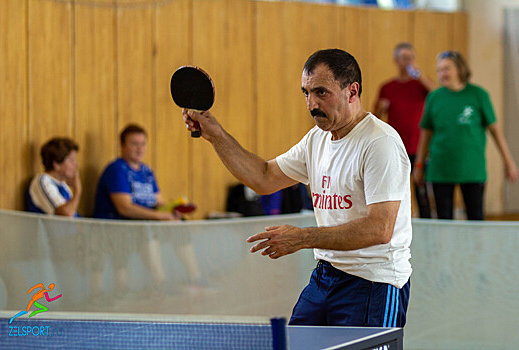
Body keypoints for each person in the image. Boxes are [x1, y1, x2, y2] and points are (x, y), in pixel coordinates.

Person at [182, 49, 412, 327]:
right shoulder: (317, 140)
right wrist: (216, 135)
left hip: (375, 282)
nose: (311, 103)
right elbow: (264, 177)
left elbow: (380, 229)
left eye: (321, 93)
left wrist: (302, 238)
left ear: (352, 92)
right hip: (327, 276)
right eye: (306, 93)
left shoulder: (380, 143)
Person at [93, 124, 202, 293]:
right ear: (122, 146)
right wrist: (159, 217)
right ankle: (160, 283)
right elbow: (125, 208)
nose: (140, 148)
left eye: (143, 144)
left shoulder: (146, 172)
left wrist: (173, 211)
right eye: (134, 144)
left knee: (179, 229)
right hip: (116, 228)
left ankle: (195, 278)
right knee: (149, 232)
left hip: (143, 224)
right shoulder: (116, 169)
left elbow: (159, 202)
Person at [414, 50, 518, 220]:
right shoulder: (434, 98)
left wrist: (509, 162)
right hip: (440, 169)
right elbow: (426, 135)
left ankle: (477, 247)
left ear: (459, 69)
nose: (442, 73)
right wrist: (418, 165)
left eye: (446, 69)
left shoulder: (478, 95)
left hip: (472, 169)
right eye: (439, 70)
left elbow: (495, 131)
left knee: (475, 218)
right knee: (443, 219)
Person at [374, 42, 435, 218]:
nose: (407, 62)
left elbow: (437, 94)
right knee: (395, 192)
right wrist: (382, 108)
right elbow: (375, 117)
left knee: (422, 194)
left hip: (418, 147)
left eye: (410, 58)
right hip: (396, 148)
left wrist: (419, 74)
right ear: (396, 60)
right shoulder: (387, 87)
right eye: (404, 58)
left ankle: (427, 225)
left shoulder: (421, 84)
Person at [27, 137, 81, 217]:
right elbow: (66, 214)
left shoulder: (63, 185)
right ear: (57, 164)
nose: (76, 165)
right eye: (71, 160)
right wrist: (78, 190)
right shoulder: (43, 181)